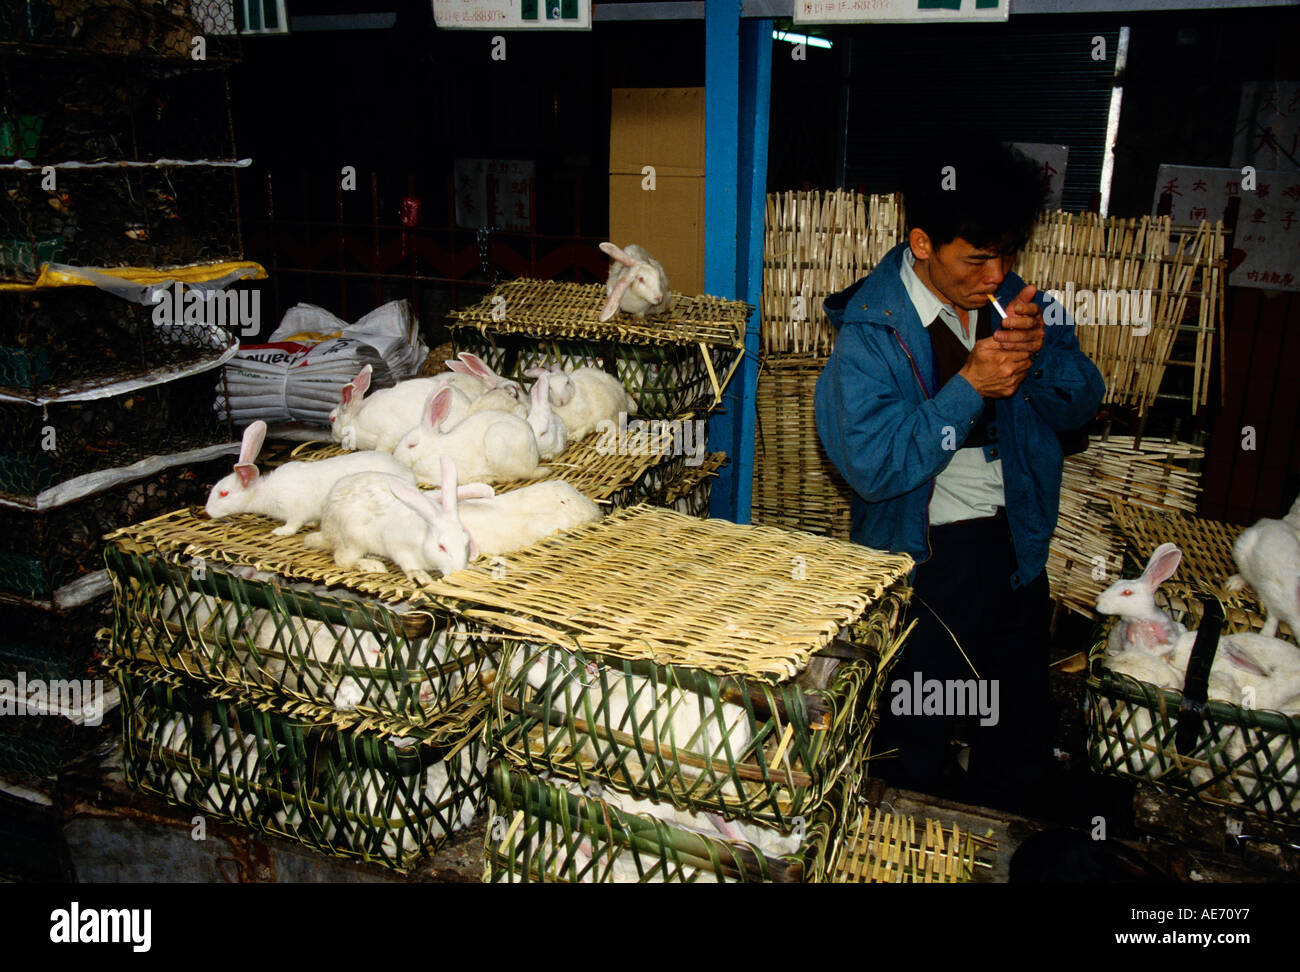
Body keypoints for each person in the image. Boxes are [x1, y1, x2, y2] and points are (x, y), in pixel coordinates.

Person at [814, 140, 1105, 812]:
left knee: (1014, 713)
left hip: (1020, 537)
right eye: (976, 257)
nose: (995, 272)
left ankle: (1013, 811)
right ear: (922, 242)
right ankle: (916, 817)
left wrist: (1041, 357)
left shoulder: (1018, 302)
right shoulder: (870, 334)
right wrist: (971, 384)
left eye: (1007, 253)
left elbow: (1080, 404)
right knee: (920, 725)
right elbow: (875, 468)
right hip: (931, 553)